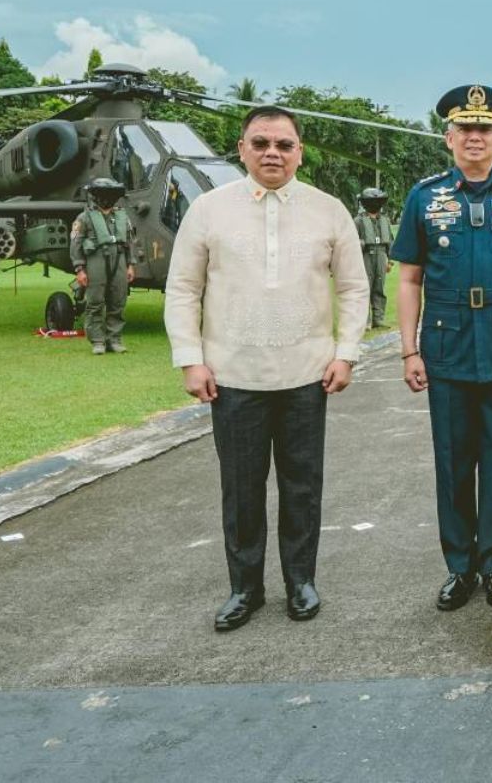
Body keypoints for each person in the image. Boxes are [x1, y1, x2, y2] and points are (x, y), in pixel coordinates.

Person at [164, 107, 369, 632]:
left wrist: (346, 352)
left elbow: (353, 286)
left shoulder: (328, 210)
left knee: (302, 484)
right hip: (233, 374)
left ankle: (301, 580)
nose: (272, 153)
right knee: (241, 486)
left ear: (300, 151)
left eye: (283, 144)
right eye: (261, 143)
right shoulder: (209, 210)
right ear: (242, 149)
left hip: (307, 372)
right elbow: (183, 288)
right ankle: (244, 588)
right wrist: (191, 359)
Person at [393, 84, 492, 612]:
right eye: (465, 129)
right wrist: (408, 350)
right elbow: (409, 279)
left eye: (485, 129)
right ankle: (459, 568)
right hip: (446, 345)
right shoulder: (425, 196)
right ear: (448, 137)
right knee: (454, 461)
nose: (475, 138)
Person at [69, 176, 135, 355]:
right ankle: (97, 340)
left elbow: (129, 242)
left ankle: (114, 339)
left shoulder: (122, 216)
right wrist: (80, 269)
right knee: (95, 302)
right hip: (95, 261)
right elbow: (76, 244)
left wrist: (130, 265)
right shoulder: (84, 218)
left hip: (119, 260)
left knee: (118, 301)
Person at [355, 187, 396, 328]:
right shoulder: (359, 221)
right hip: (365, 256)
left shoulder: (384, 220)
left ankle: (378, 319)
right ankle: (364, 322)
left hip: (381, 255)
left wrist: (390, 260)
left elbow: (390, 240)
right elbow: (352, 241)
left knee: (379, 289)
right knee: (365, 289)